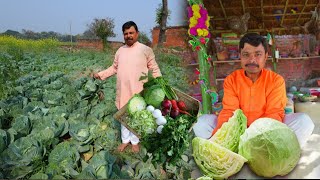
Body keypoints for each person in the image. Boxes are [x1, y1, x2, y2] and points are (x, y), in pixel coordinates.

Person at [193, 33, 314, 147]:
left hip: (267, 131)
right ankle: (232, 149)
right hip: (238, 129)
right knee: (201, 123)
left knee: (304, 122)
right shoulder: (231, 79)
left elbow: (274, 113)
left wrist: (257, 138)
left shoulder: (276, 80)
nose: (252, 60)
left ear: (266, 56)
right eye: (246, 54)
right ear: (240, 56)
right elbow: (229, 111)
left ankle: (277, 151)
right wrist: (222, 136)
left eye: (258, 54)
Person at [93, 21, 162, 153]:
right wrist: (100, 75)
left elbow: (154, 68)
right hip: (123, 89)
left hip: (139, 90)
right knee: (124, 116)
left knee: (137, 116)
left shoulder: (145, 50)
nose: (128, 36)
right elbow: (114, 68)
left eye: (131, 33)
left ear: (137, 33)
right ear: (123, 35)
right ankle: (125, 141)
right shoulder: (120, 51)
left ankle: (135, 141)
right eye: (126, 33)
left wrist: (160, 82)